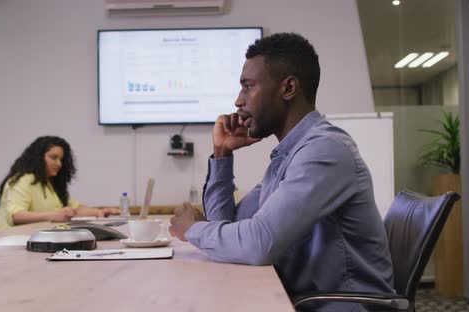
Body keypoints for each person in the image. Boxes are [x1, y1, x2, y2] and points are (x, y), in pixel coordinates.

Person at [168, 33, 394, 311]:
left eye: (248, 86)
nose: (238, 100)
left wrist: (193, 229)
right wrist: (222, 152)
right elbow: (230, 225)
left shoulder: (325, 150)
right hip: (306, 299)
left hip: (342, 305)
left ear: (288, 88)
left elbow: (259, 243)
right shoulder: (289, 155)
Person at [0, 136, 119, 230]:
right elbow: (16, 216)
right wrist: (54, 215)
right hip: (7, 241)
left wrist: (100, 212)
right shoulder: (22, 180)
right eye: (53, 157)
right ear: (38, 157)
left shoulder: (50, 183)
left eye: (61, 160)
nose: (59, 164)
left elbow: (74, 209)